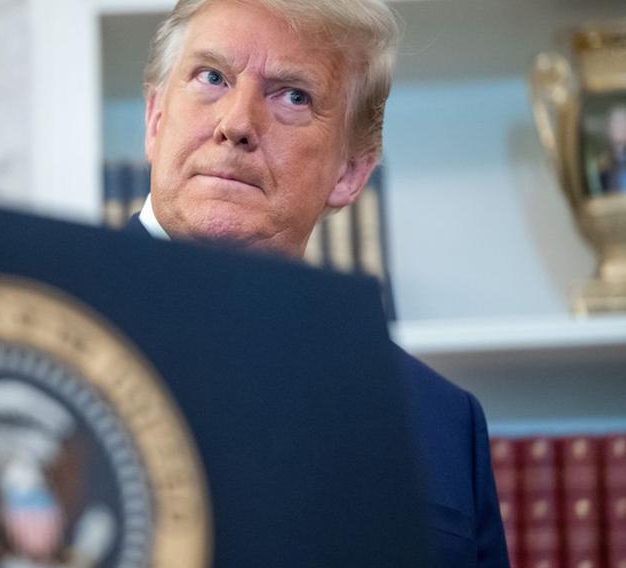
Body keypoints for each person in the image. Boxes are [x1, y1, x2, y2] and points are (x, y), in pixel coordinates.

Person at [123, 0, 510, 566]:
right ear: (156, 120)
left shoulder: (442, 423)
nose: (236, 124)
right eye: (212, 77)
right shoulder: (26, 332)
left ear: (351, 172)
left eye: (293, 95)